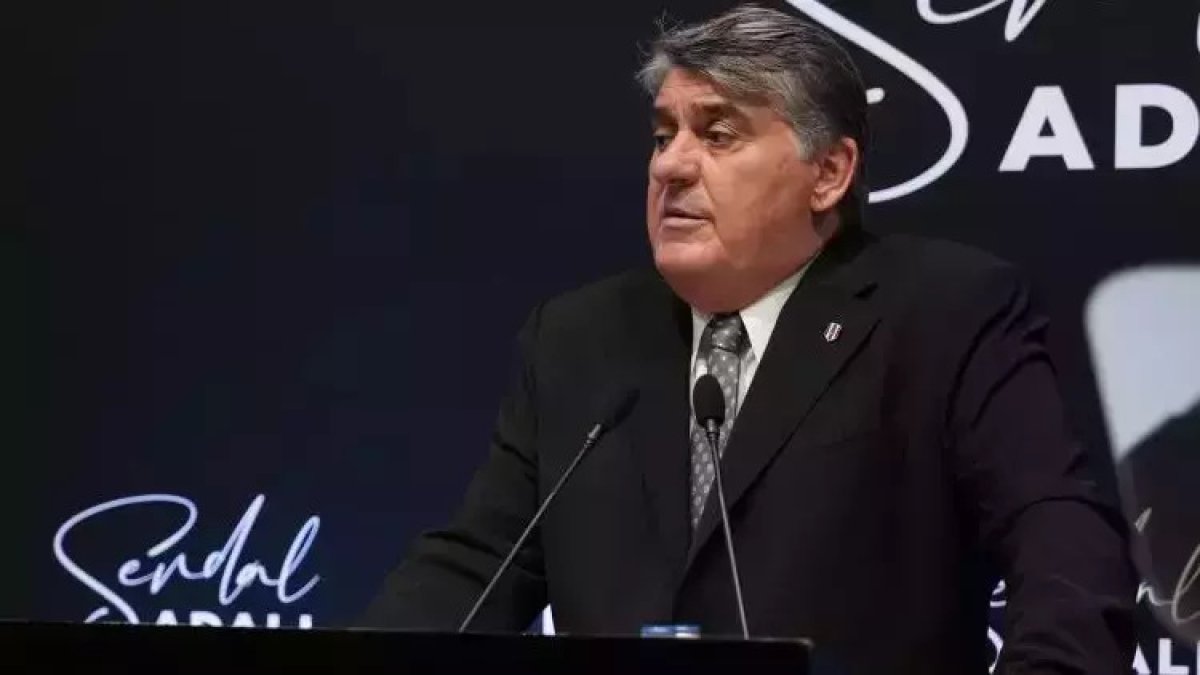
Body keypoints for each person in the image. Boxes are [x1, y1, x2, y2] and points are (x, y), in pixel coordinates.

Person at [362, 5, 1135, 672]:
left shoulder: (944, 315)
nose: (671, 165)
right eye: (663, 134)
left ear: (828, 172)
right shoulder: (577, 340)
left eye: (718, 133)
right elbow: (474, 569)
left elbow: (1065, 545)